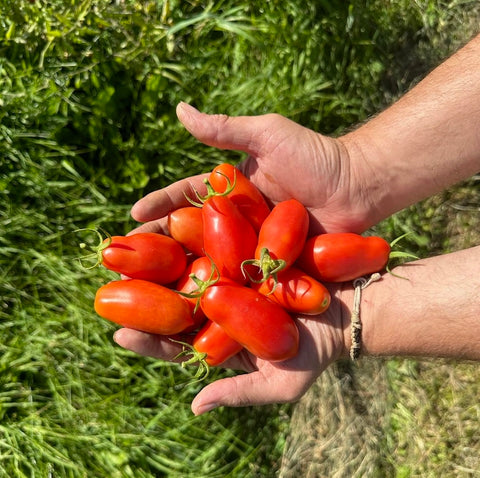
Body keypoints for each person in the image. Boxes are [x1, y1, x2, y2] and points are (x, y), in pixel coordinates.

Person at [113, 33, 480, 416]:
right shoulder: (226, 278)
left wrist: (351, 175)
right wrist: (353, 175)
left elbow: (264, 247)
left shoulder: (230, 268)